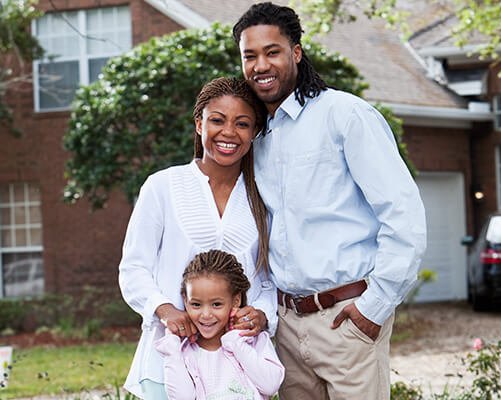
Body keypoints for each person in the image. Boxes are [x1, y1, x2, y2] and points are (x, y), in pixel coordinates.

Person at [233, 3, 427, 399]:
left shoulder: (345, 115)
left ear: (296, 52)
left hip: (347, 319)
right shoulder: (259, 137)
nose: (260, 65)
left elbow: (403, 215)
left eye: (272, 51)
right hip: (285, 327)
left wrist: (374, 307)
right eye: (249, 56)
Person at [118, 77, 277, 399]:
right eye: (217, 120)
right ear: (199, 123)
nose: (229, 132)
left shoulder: (265, 196)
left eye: (242, 123)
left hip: (238, 368)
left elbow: (269, 278)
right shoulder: (162, 186)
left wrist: (261, 314)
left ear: (255, 133)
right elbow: (134, 268)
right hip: (169, 361)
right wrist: (165, 310)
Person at [154, 250, 284, 399]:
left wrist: (235, 341)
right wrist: (172, 348)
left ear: (236, 300)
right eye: (196, 304)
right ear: (185, 300)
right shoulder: (185, 350)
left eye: (216, 304)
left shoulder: (253, 340)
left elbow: (270, 385)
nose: (206, 314)